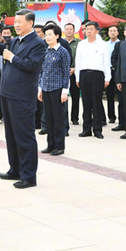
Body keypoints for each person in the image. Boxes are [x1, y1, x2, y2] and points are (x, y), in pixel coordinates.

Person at [0, 10, 47, 189]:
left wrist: (12, 58)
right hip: (7, 93)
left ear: (30, 23)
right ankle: (15, 169)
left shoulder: (37, 44)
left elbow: (32, 65)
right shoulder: (15, 41)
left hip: (22, 96)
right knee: (11, 135)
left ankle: (29, 176)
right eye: (16, 22)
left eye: (20, 22)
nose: (17, 25)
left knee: (24, 136)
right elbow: (1, 51)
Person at [37, 23, 70, 154]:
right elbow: (42, 71)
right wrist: (40, 88)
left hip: (58, 89)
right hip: (46, 89)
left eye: (50, 35)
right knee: (49, 119)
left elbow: (66, 73)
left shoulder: (63, 52)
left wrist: (65, 91)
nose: (47, 37)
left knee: (58, 119)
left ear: (57, 35)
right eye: (46, 35)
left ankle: (59, 146)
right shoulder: (45, 51)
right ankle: (50, 144)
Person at [75, 21, 110, 139]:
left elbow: (106, 62)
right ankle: (86, 129)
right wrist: (77, 77)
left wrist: (107, 78)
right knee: (86, 103)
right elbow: (78, 62)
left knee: (96, 103)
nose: (88, 31)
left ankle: (97, 129)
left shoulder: (102, 45)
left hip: (97, 75)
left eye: (91, 29)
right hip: (84, 74)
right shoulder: (81, 44)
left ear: (97, 31)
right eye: (86, 29)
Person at [62, 24, 80, 127]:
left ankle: (75, 118)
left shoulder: (79, 43)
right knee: (63, 96)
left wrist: (75, 68)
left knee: (75, 96)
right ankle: (64, 118)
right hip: (62, 73)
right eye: (67, 29)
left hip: (74, 72)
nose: (68, 31)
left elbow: (81, 58)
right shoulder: (61, 42)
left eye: (70, 29)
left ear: (74, 30)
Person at [105, 25, 121, 124]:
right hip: (108, 70)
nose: (112, 32)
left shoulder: (121, 44)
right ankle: (111, 116)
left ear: (118, 33)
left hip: (118, 71)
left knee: (120, 95)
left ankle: (122, 117)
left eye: (114, 31)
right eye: (110, 31)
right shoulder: (105, 45)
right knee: (109, 95)